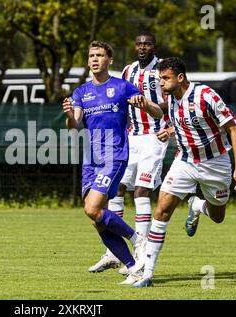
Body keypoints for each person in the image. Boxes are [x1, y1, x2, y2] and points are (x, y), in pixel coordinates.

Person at [132, 57, 236, 288]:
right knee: (162, 210)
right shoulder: (171, 98)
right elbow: (181, 120)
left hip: (215, 164)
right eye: (159, 79)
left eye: (165, 78)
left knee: (217, 217)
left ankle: (196, 205)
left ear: (180, 77)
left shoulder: (206, 96)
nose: (161, 83)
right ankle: (146, 273)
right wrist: (169, 130)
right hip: (184, 162)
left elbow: (233, 129)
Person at [62, 41, 163, 284]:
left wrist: (146, 104)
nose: (94, 59)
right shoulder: (81, 92)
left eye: (99, 55)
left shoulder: (121, 86)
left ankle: (137, 238)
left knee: (92, 208)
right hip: (91, 160)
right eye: (91, 56)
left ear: (109, 60)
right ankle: (133, 266)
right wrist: (68, 116)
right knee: (96, 219)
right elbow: (75, 126)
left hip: (114, 156)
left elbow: (158, 112)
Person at [88, 32, 170, 284]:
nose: (143, 47)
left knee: (142, 191)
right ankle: (113, 252)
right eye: (139, 43)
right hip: (130, 138)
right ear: (135, 47)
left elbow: (170, 102)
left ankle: (141, 250)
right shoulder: (127, 71)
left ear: (154, 46)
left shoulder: (162, 70)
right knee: (117, 190)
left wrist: (160, 117)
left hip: (154, 137)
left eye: (147, 43)